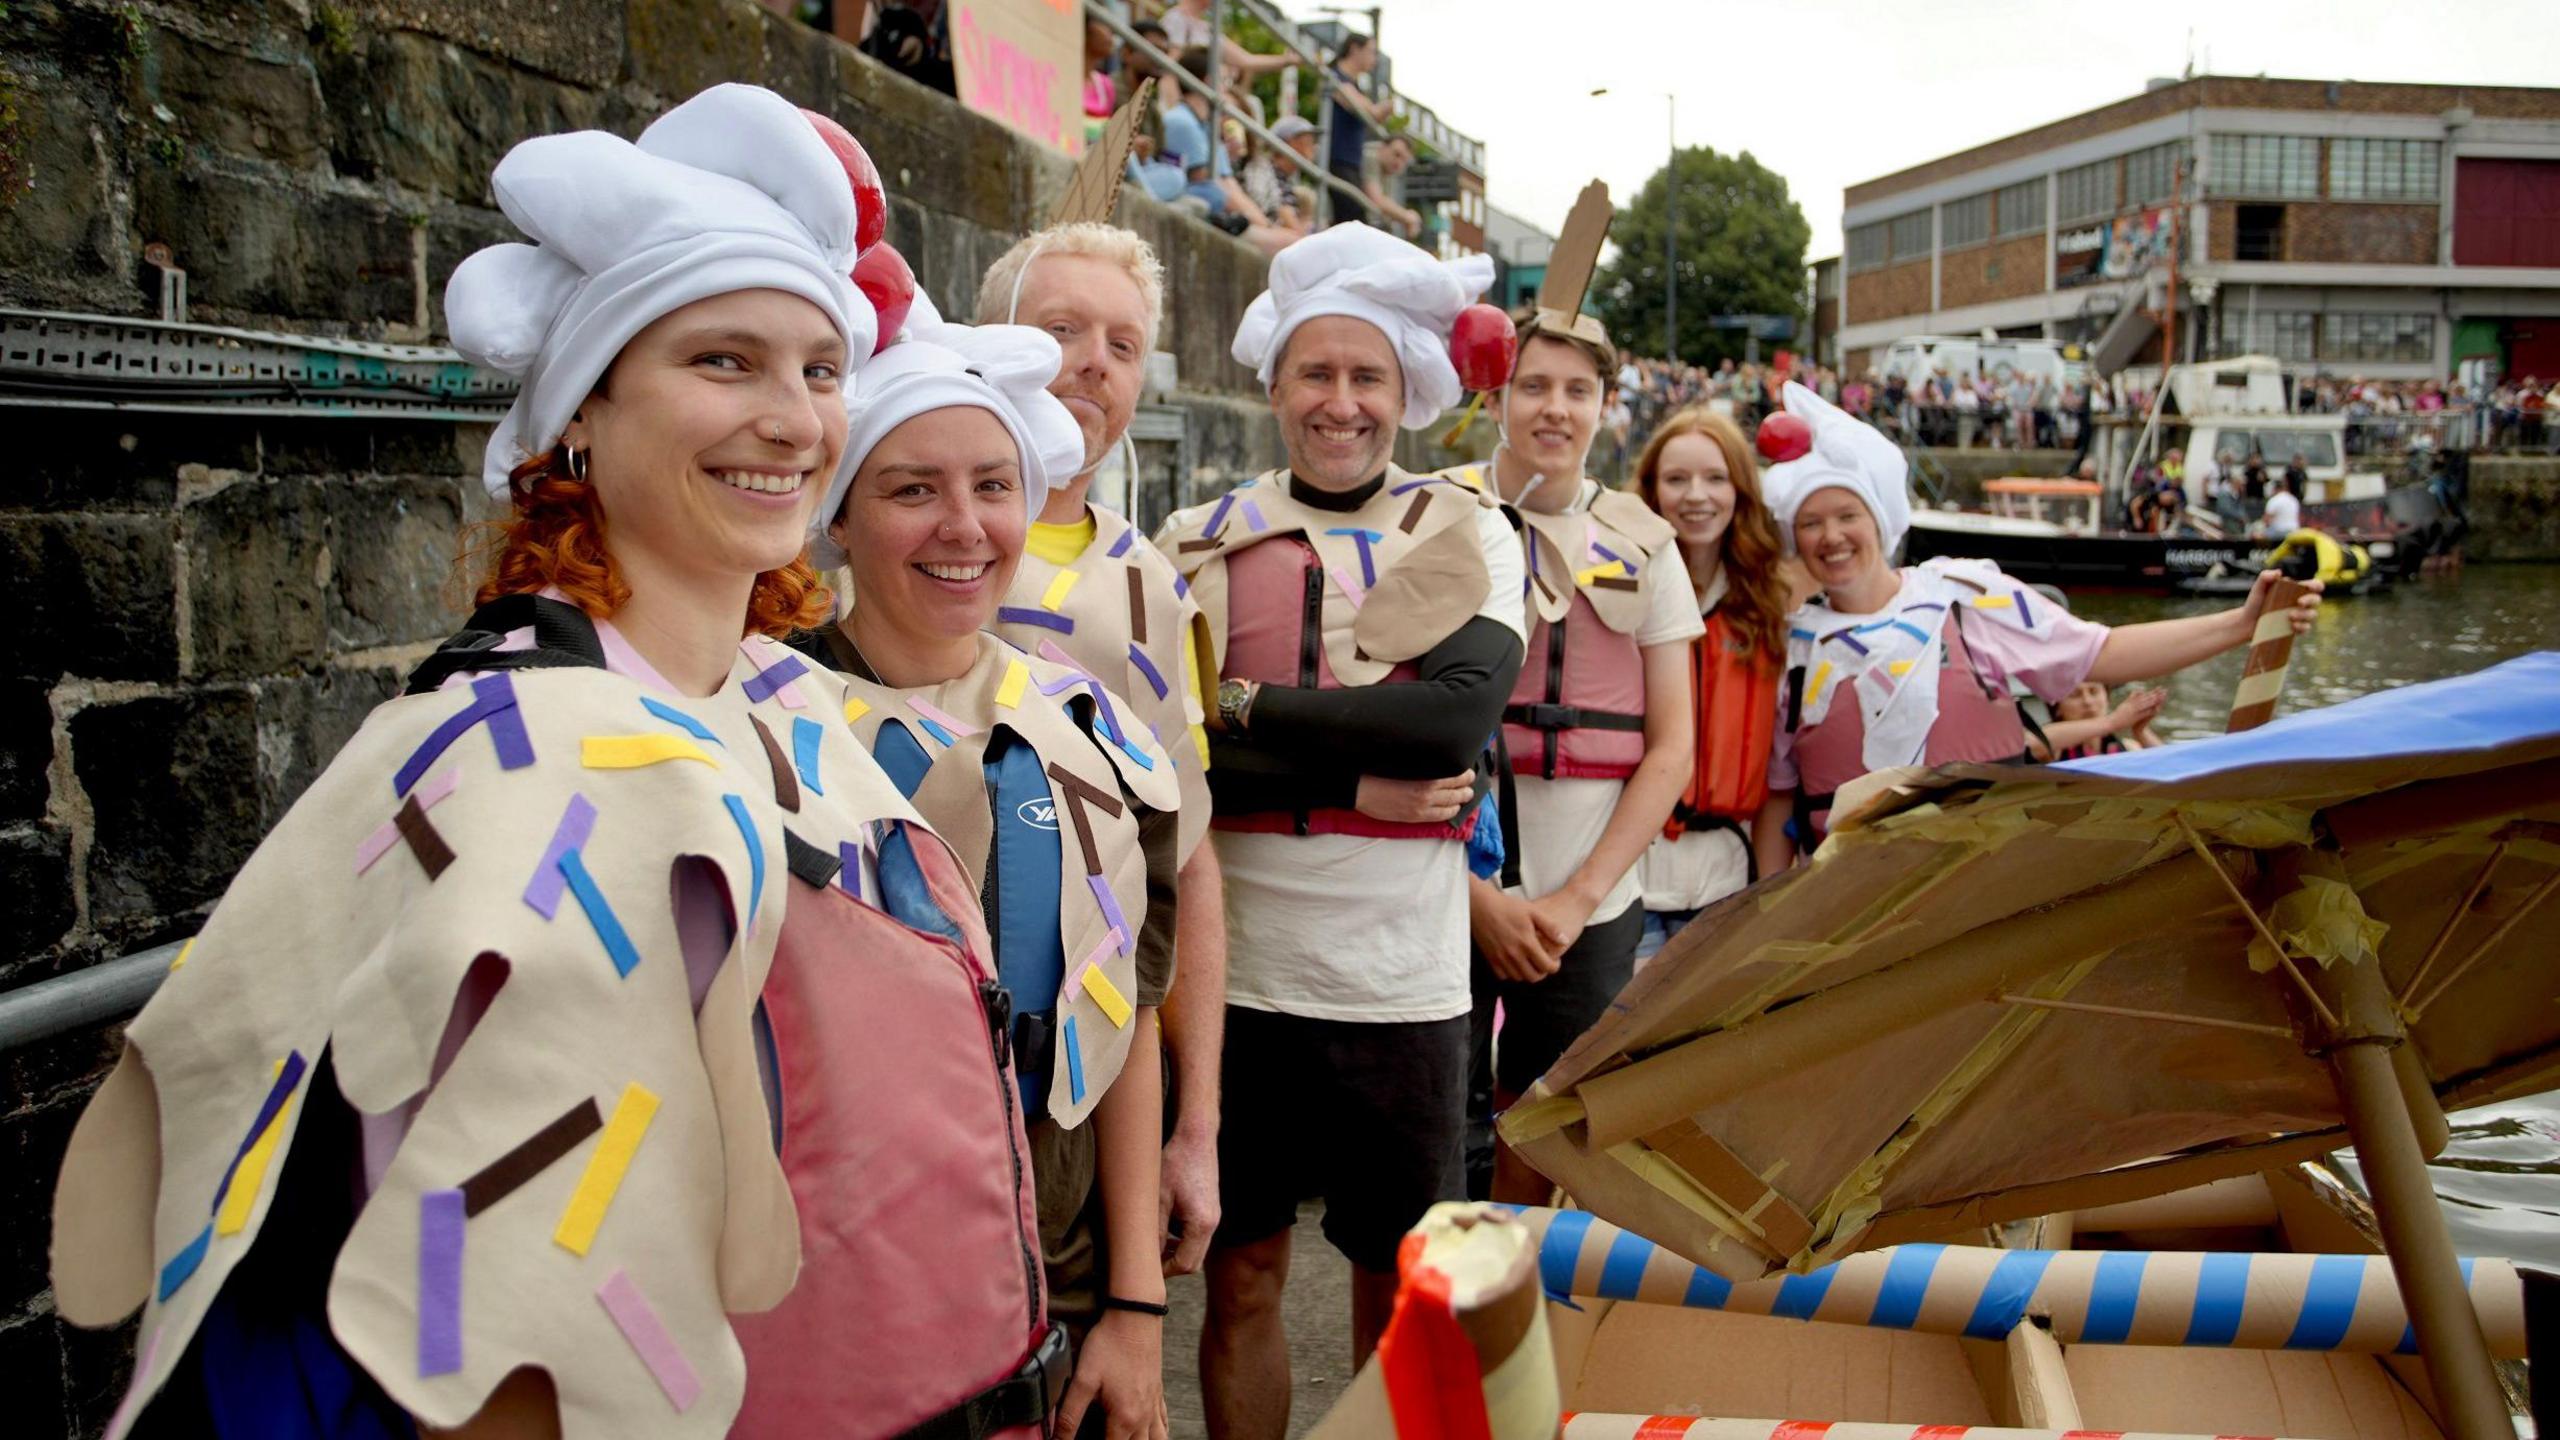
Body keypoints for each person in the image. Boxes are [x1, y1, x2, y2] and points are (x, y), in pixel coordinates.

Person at [51, 85, 1066, 1439]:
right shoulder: (527, 754)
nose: (793, 419)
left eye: (821, 370)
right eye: (723, 362)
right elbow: (492, 1313)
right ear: (581, 412)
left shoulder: (782, 696)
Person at [1159, 223, 1526, 1439]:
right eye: (1315, 373)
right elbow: (1178, 758)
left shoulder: (1470, 531)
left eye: (1366, 376)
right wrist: (1343, 792)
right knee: (1244, 1276)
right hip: (1242, 982)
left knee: (1396, 1288)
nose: (1340, 401)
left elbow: (1448, 723)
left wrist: (1248, 706)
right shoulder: (1193, 541)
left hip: (1405, 986)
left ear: (1406, 394)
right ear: (1272, 384)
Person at [799, 316, 1180, 1440]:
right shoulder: (755, 724)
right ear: (841, 517)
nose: (963, 527)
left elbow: (1124, 1020)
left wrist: (1134, 1305)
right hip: (834, 1296)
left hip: (1056, 1285)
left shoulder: (1088, 727)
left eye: (994, 486)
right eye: (912, 489)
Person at [973, 221, 1231, 1309]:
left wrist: (1196, 1126)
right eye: (1060, 330)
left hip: (1079, 1079)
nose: (1091, 363)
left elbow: (1190, 868)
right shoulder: (877, 538)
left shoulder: (1154, 589)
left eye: (1123, 345)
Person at [1750, 381, 2320, 870]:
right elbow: (1779, 801)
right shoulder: (1788, 649)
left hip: (1986, 882)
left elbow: (2106, 652)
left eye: (1848, 515)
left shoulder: (1965, 596)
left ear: (1879, 519)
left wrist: (2243, 624)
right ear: (1792, 537)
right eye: (1811, 523)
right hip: (1851, 902)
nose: (1832, 537)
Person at [1441, 301, 1701, 1206]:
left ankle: (1524, 1298)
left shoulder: (1646, 545)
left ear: (1606, 406)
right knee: (1440, 1117)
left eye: (1578, 390)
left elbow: (1673, 749)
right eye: (1535, 386)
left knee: (1548, 1120)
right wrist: (1481, 902)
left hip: (1591, 895)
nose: (1555, 409)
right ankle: (1434, 1313)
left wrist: (1576, 900)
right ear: (1500, 395)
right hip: (1445, 879)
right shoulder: (1436, 514)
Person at [1630, 408, 1793, 962]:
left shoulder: (1771, 604)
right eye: (1676, 479)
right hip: (1632, 881)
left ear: (1740, 490)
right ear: (1651, 490)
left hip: (1728, 882)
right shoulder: (1619, 590)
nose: (1696, 495)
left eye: (1715, 478)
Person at [1323, 33, 1392, 229]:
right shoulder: (1336, 77)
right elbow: (1368, 110)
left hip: (1349, 163)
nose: (1374, 59)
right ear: (1354, 48)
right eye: (1371, 52)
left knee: (1352, 218)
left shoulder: (1352, 84)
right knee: (1353, 219)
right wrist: (1382, 109)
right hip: (1338, 159)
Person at [2029, 681, 2167, 761]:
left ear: (2107, 698)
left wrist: (2140, 731)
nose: (2088, 702)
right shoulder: (2055, 751)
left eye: (2094, 692)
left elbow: (2169, 766)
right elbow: (2034, 744)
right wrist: (2113, 721)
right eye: (2075, 695)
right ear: (2057, 708)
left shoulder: (2128, 747)